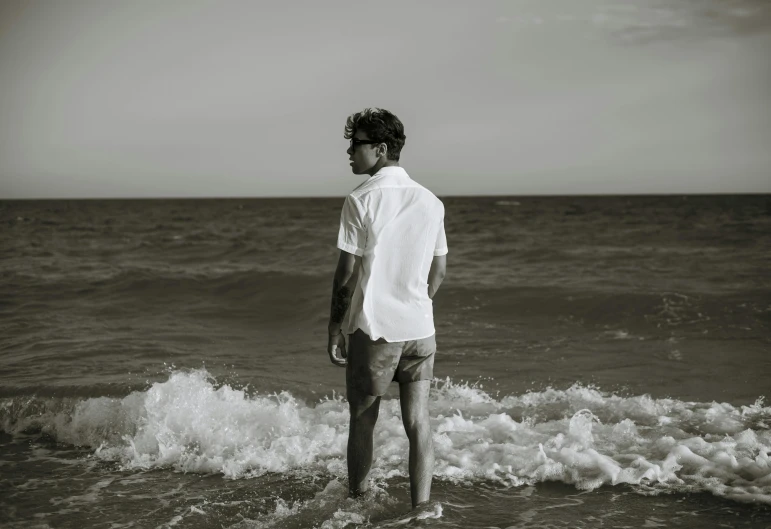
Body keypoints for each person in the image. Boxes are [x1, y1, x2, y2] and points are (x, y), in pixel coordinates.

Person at [326, 108, 448, 510]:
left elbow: (346, 275)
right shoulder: (431, 201)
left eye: (356, 143)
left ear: (379, 149)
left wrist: (334, 328)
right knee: (419, 422)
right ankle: (422, 509)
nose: (349, 151)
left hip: (376, 330)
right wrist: (417, 303)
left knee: (363, 419)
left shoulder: (361, 199)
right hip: (420, 332)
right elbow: (440, 270)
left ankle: (357, 506)